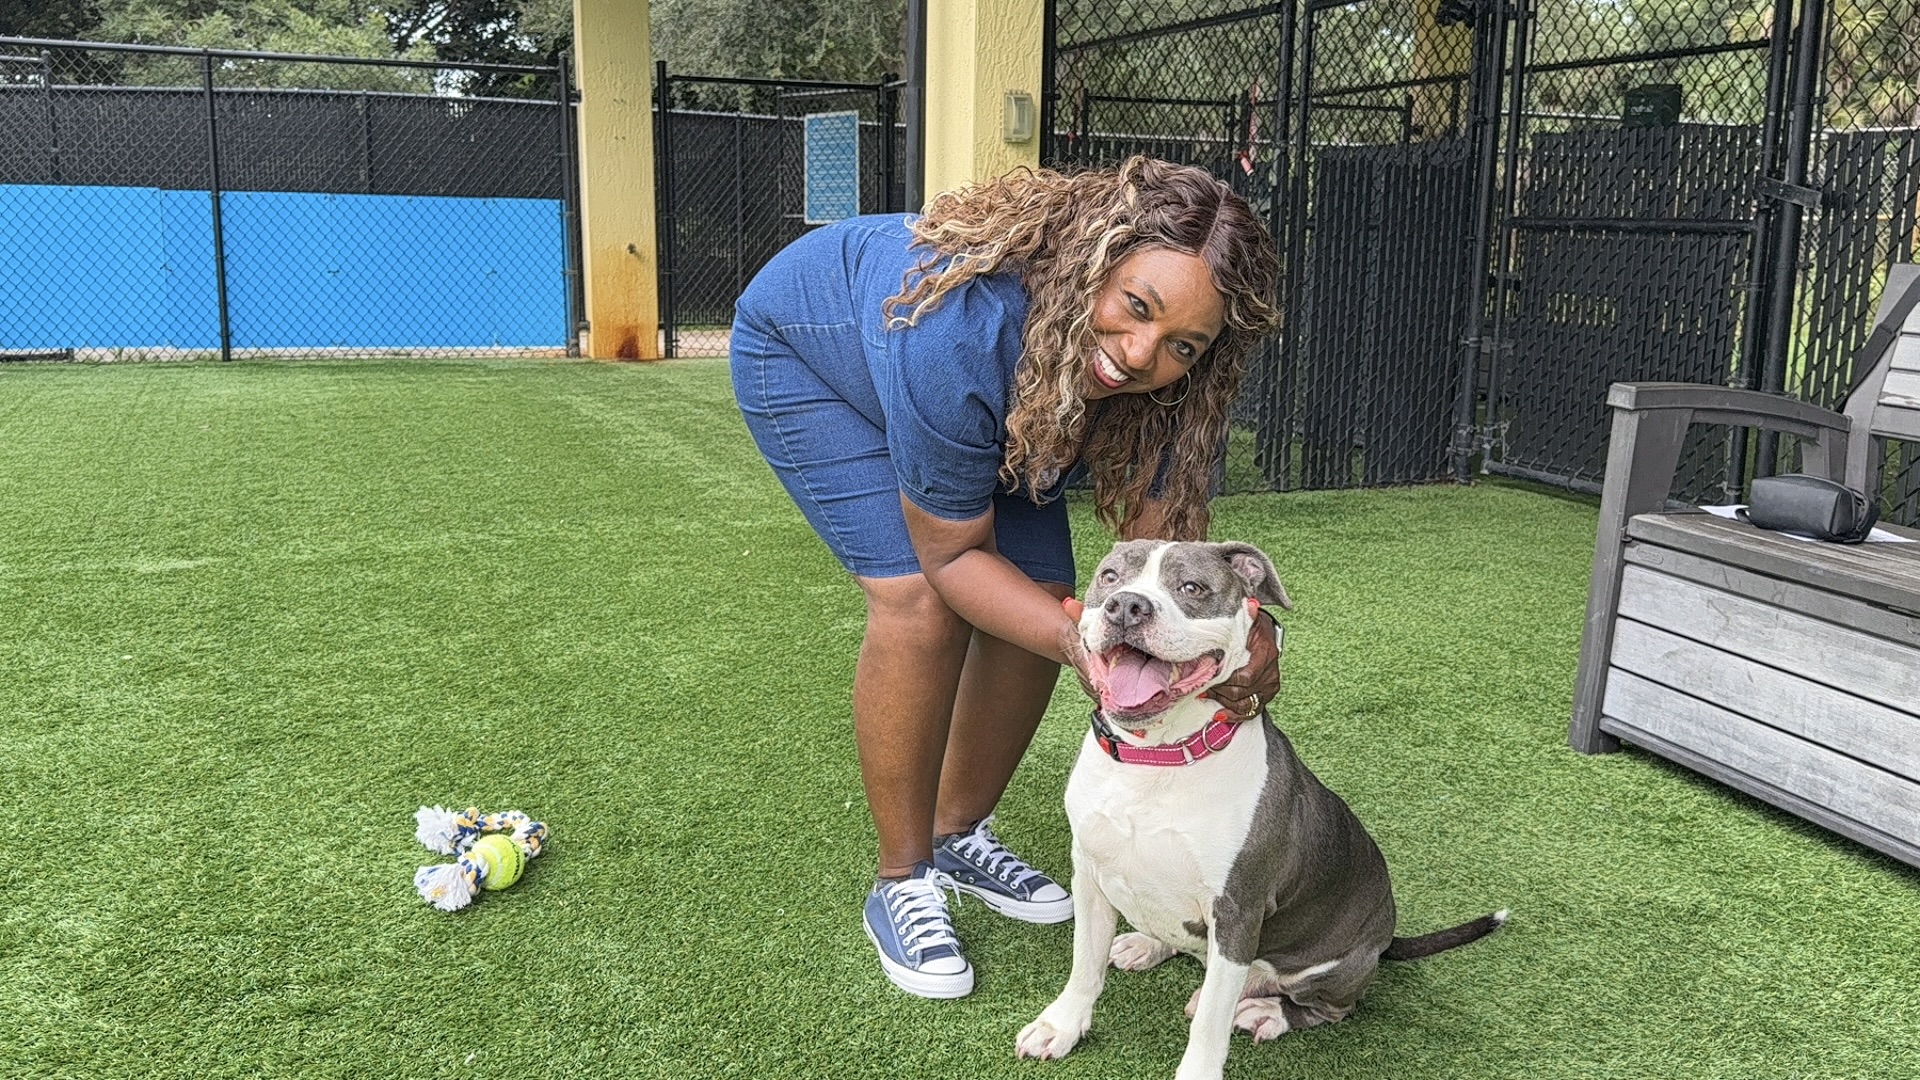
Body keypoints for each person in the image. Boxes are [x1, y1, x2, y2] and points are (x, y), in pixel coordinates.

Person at [729, 154, 1284, 999]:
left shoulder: (1170, 383)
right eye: (1136, 307)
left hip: (994, 387)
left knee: (1046, 594)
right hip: (811, 363)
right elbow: (952, 559)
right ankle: (902, 876)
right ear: (1093, 261)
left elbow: (1166, 551)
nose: (1141, 355)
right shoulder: (959, 329)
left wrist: (1242, 633)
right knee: (922, 601)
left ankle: (957, 835)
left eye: (1182, 345)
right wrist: (1086, 639)